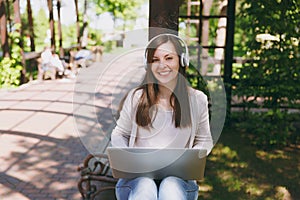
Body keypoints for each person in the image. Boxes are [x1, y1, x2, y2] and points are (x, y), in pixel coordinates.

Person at [111, 34, 213, 200]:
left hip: (180, 181)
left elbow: (204, 140)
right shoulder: (137, 97)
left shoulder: (197, 99)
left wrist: (190, 160)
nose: (162, 65)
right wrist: (126, 156)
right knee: (145, 186)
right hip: (136, 180)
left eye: (168, 58)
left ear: (182, 61)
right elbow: (119, 134)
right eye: (155, 59)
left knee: (170, 187)